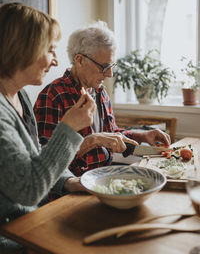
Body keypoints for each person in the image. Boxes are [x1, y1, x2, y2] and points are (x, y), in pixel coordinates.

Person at [0, 2, 96, 254]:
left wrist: (69, 182)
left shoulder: (19, 96)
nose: (55, 61)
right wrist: (69, 127)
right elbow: (28, 188)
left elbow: (33, 157)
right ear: (23, 49)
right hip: (9, 241)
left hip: (32, 224)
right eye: (50, 50)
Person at [34, 21, 171, 184]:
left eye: (111, 65)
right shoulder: (53, 96)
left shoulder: (99, 91)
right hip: (71, 190)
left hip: (104, 180)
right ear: (79, 60)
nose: (110, 74)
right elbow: (45, 162)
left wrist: (141, 135)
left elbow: (111, 134)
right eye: (104, 66)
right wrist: (93, 140)